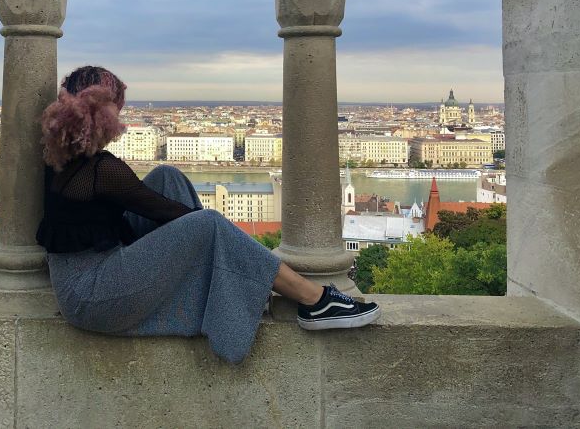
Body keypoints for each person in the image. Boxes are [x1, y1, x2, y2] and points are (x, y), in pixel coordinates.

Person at [37, 65, 380, 364]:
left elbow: (157, 205)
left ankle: (224, 279)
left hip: (87, 276)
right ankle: (315, 300)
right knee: (208, 223)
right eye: (117, 108)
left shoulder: (63, 153)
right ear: (102, 114)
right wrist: (219, 239)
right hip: (92, 295)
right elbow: (167, 212)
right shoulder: (102, 169)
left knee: (166, 177)